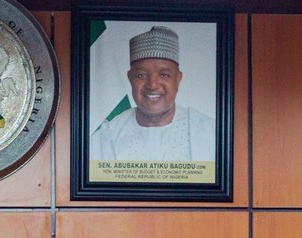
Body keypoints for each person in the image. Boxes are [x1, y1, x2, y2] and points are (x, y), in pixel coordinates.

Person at [89, 25, 215, 162]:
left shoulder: (208, 131)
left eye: (164, 75)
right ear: (130, 78)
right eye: (142, 75)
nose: (153, 84)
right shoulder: (109, 135)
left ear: (178, 79)